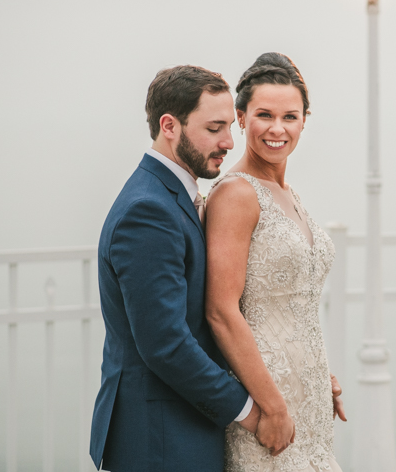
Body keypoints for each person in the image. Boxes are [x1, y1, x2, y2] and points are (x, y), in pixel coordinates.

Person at [89, 65, 271, 472]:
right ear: (169, 126)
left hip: (179, 430)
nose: (228, 141)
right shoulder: (148, 211)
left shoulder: (172, 195)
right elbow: (166, 344)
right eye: (214, 128)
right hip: (160, 439)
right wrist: (250, 413)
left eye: (229, 127)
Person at [205, 52, 346, 472]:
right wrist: (273, 406)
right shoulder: (236, 194)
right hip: (268, 402)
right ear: (242, 117)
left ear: (305, 120)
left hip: (310, 399)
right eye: (264, 114)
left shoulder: (288, 194)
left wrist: (320, 376)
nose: (277, 129)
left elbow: (293, 309)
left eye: (290, 116)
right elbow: (221, 311)